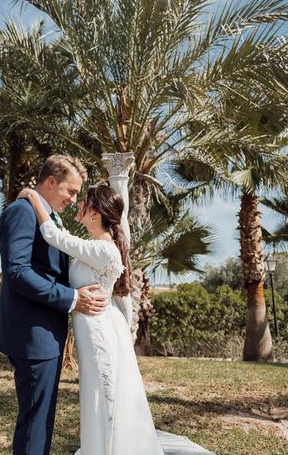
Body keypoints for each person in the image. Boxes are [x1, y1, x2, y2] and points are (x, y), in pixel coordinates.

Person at [18, 184, 213, 455]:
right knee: (95, 393)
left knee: (103, 395)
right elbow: (62, 238)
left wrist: (32, 196)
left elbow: (54, 235)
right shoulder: (96, 245)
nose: (77, 204)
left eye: (83, 201)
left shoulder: (105, 249)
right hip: (93, 325)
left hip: (98, 331)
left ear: (95, 213)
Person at [0, 155, 109, 455]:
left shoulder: (44, 215)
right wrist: (72, 298)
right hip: (33, 334)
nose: (74, 199)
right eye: (71, 190)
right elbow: (17, 272)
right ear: (51, 182)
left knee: (40, 418)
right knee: (35, 422)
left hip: (45, 333)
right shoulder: (22, 211)